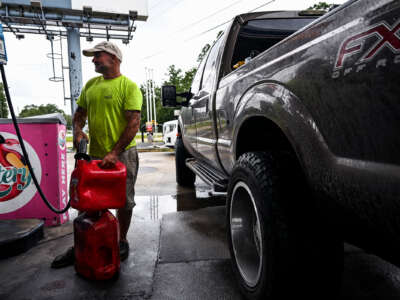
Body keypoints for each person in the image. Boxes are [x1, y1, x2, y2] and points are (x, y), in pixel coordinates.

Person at [51, 41, 142, 268]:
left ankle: (121, 240)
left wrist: (114, 152)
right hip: (94, 157)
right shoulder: (91, 85)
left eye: (97, 56)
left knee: (124, 201)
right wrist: (79, 130)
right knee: (88, 202)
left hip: (122, 155)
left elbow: (134, 123)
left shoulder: (128, 86)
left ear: (113, 58)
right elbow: (79, 114)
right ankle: (83, 243)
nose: (93, 60)